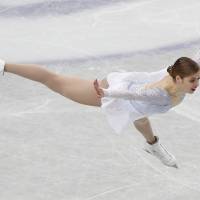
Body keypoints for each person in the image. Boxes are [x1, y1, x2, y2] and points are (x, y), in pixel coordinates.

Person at [0, 57, 199, 168]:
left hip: (134, 99)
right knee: (54, 81)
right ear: (179, 79)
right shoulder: (159, 94)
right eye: (193, 81)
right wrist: (105, 93)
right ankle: (4, 66)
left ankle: (152, 146)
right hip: (114, 92)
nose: (197, 84)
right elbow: (131, 94)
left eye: (198, 79)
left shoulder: (181, 76)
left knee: (141, 119)